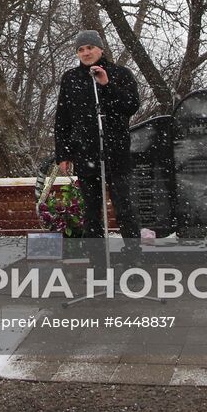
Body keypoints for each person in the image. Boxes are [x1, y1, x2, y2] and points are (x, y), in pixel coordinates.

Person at [53, 30, 142, 256]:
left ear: (100, 49)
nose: (86, 53)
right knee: (92, 211)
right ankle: (97, 259)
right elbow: (63, 118)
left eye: (90, 47)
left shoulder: (120, 73)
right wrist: (63, 154)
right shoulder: (70, 79)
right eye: (81, 49)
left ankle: (133, 255)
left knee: (125, 208)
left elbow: (130, 105)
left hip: (116, 152)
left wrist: (106, 84)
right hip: (86, 154)